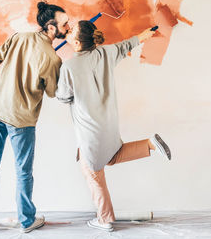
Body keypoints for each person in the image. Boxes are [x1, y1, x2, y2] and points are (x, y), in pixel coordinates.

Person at [56, 21, 171, 232]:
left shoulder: (68, 66)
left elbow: (63, 97)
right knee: (112, 156)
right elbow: (125, 46)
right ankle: (150, 144)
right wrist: (143, 35)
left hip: (89, 130)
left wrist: (58, 73)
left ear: (78, 41)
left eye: (71, 31)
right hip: (108, 124)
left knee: (92, 172)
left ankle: (105, 220)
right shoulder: (105, 53)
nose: (67, 31)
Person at [0, 1, 70, 233]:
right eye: (65, 24)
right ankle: (27, 221)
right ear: (51, 27)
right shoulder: (53, 59)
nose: (69, 27)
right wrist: (54, 69)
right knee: (23, 171)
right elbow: (51, 92)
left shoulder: (20, 37)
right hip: (21, 120)